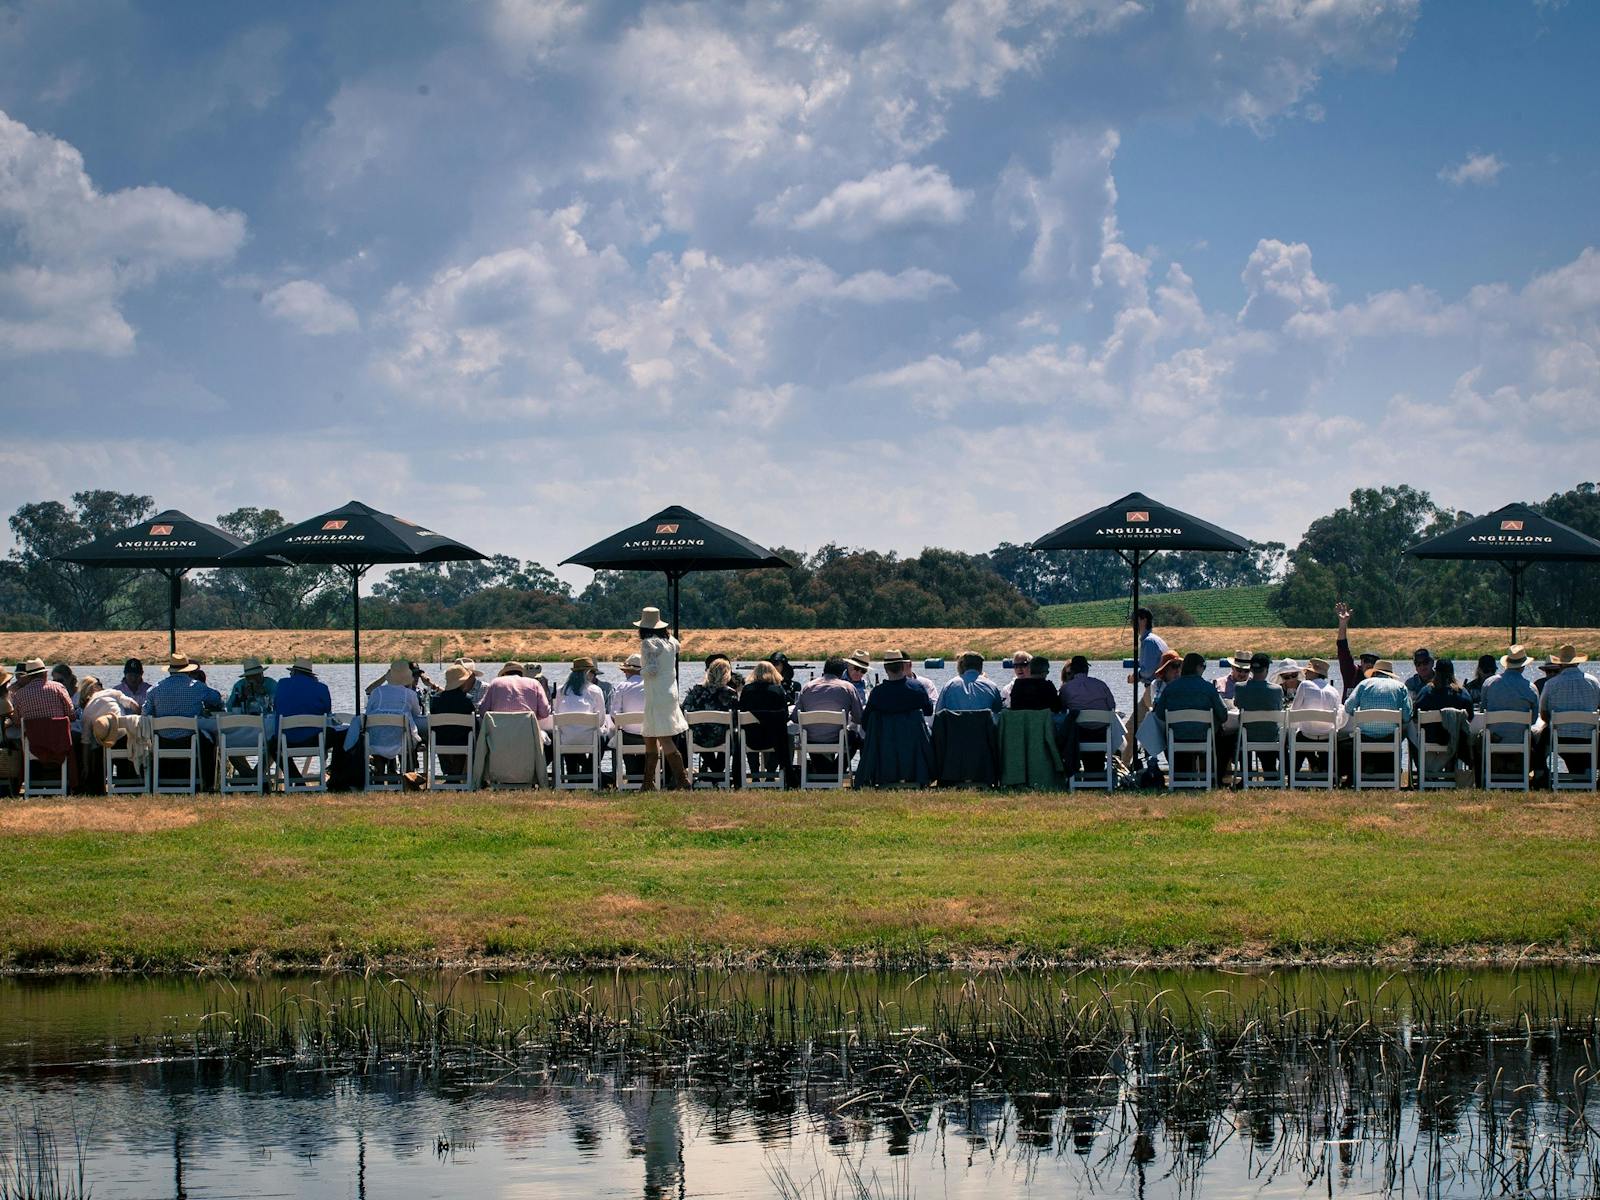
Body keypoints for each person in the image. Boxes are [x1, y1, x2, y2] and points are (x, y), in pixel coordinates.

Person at [146, 653, 224, 790]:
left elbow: (145, 714)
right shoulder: (197, 687)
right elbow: (217, 698)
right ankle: (208, 784)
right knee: (211, 740)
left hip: (163, 741)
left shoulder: (154, 689)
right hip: (189, 740)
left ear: (170, 670)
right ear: (188, 670)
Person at [1151, 652, 1232, 781]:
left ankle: (1180, 778)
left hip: (1176, 738)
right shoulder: (1208, 688)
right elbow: (1223, 715)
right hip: (1204, 737)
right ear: (1199, 668)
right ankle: (1214, 778)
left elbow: (1159, 715)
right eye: (1203, 667)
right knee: (1225, 738)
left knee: (1167, 733)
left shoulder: (1170, 689)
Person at [636, 607, 689, 791]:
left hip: (656, 694)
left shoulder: (648, 644)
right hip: (669, 693)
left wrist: (637, 670)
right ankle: (647, 782)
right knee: (649, 735)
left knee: (663, 737)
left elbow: (651, 670)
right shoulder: (671, 642)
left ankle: (683, 781)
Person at [1341, 658, 1413, 783]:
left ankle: (1363, 768)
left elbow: (1348, 707)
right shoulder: (1400, 687)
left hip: (1365, 737)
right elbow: (1407, 716)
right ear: (1390, 674)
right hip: (1390, 738)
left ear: (1374, 672)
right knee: (1402, 731)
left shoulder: (1364, 684)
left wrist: (1357, 714)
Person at [793, 656, 865, 772]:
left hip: (810, 739)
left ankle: (826, 772)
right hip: (838, 738)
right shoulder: (848, 688)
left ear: (824, 669)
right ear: (842, 673)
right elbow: (859, 718)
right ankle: (836, 771)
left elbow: (795, 718)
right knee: (856, 738)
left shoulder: (807, 687)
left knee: (810, 736)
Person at [1540, 644, 1600, 780]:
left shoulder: (1551, 684)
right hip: (1588, 738)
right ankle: (1585, 776)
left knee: (1542, 737)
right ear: (1577, 662)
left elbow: (1544, 714)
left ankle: (1540, 774)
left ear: (1560, 664)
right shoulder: (1594, 682)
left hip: (1560, 737)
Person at [1414, 657, 1475, 774]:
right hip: (1455, 738)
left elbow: (1416, 715)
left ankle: (1424, 771)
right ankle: (1449, 770)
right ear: (1452, 672)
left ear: (1436, 672)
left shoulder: (1426, 691)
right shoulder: (1461, 692)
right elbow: (1470, 716)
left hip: (1430, 738)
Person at [1059, 655, 1117, 776]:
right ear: (1087, 669)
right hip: (1102, 734)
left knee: (1071, 728)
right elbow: (1112, 706)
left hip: (1079, 736)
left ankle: (1083, 774)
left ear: (1073, 670)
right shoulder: (1101, 685)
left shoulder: (1066, 688)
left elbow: (1062, 709)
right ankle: (1097, 774)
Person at [365, 658, 424, 774]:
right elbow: (417, 714)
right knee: (407, 736)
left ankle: (378, 778)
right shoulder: (410, 694)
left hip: (375, 742)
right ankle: (408, 775)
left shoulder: (377, 692)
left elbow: (368, 713)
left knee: (383, 735)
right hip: (401, 742)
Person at [736, 658, 791, 781]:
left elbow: (741, 712)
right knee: (783, 734)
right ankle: (771, 771)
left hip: (751, 739)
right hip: (774, 739)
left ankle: (754, 772)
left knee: (748, 729)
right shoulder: (778, 690)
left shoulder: (747, 690)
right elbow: (785, 715)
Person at [683, 657, 739, 775]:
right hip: (721, 737)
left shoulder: (696, 691)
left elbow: (685, 711)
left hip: (698, 738)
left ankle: (715, 771)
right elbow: (735, 719)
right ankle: (717, 772)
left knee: (700, 730)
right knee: (732, 735)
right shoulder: (730, 694)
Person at [1233, 652, 1284, 776]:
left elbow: (1237, 704)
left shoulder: (1240, 687)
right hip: (1270, 736)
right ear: (1266, 669)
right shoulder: (1276, 689)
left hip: (1247, 736)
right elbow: (1279, 708)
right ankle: (1272, 774)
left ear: (1250, 669)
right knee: (1271, 730)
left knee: (1234, 735)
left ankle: (1245, 774)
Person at [429, 663, 479, 781]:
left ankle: (450, 775)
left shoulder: (435, 700)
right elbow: (474, 725)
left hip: (440, 742)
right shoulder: (467, 700)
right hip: (462, 742)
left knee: (440, 735)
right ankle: (455, 776)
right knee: (464, 735)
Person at [478, 661, 553, 725]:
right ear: (521, 673)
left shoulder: (495, 683)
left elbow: (482, 711)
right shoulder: (534, 683)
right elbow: (545, 713)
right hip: (528, 737)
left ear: (504, 674)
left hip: (498, 738)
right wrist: (534, 716)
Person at [1334, 603, 1381, 702]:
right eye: (1366, 660)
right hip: (1349, 716)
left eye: (1373, 661)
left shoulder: (1382, 680)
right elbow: (1343, 651)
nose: (1369, 664)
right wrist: (1343, 624)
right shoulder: (1352, 673)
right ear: (1361, 662)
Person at [936, 652, 1003, 715]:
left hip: (955, 727)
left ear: (962, 666)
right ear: (981, 667)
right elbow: (999, 714)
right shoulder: (992, 686)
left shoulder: (949, 685)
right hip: (983, 727)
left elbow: (938, 713)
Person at [608, 653, 646, 718]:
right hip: (649, 728)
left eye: (625, 670)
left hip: (626, 728)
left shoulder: (622, 686)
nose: (624, 672)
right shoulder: (653, 686)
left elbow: (614, 715)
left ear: (628, 671)